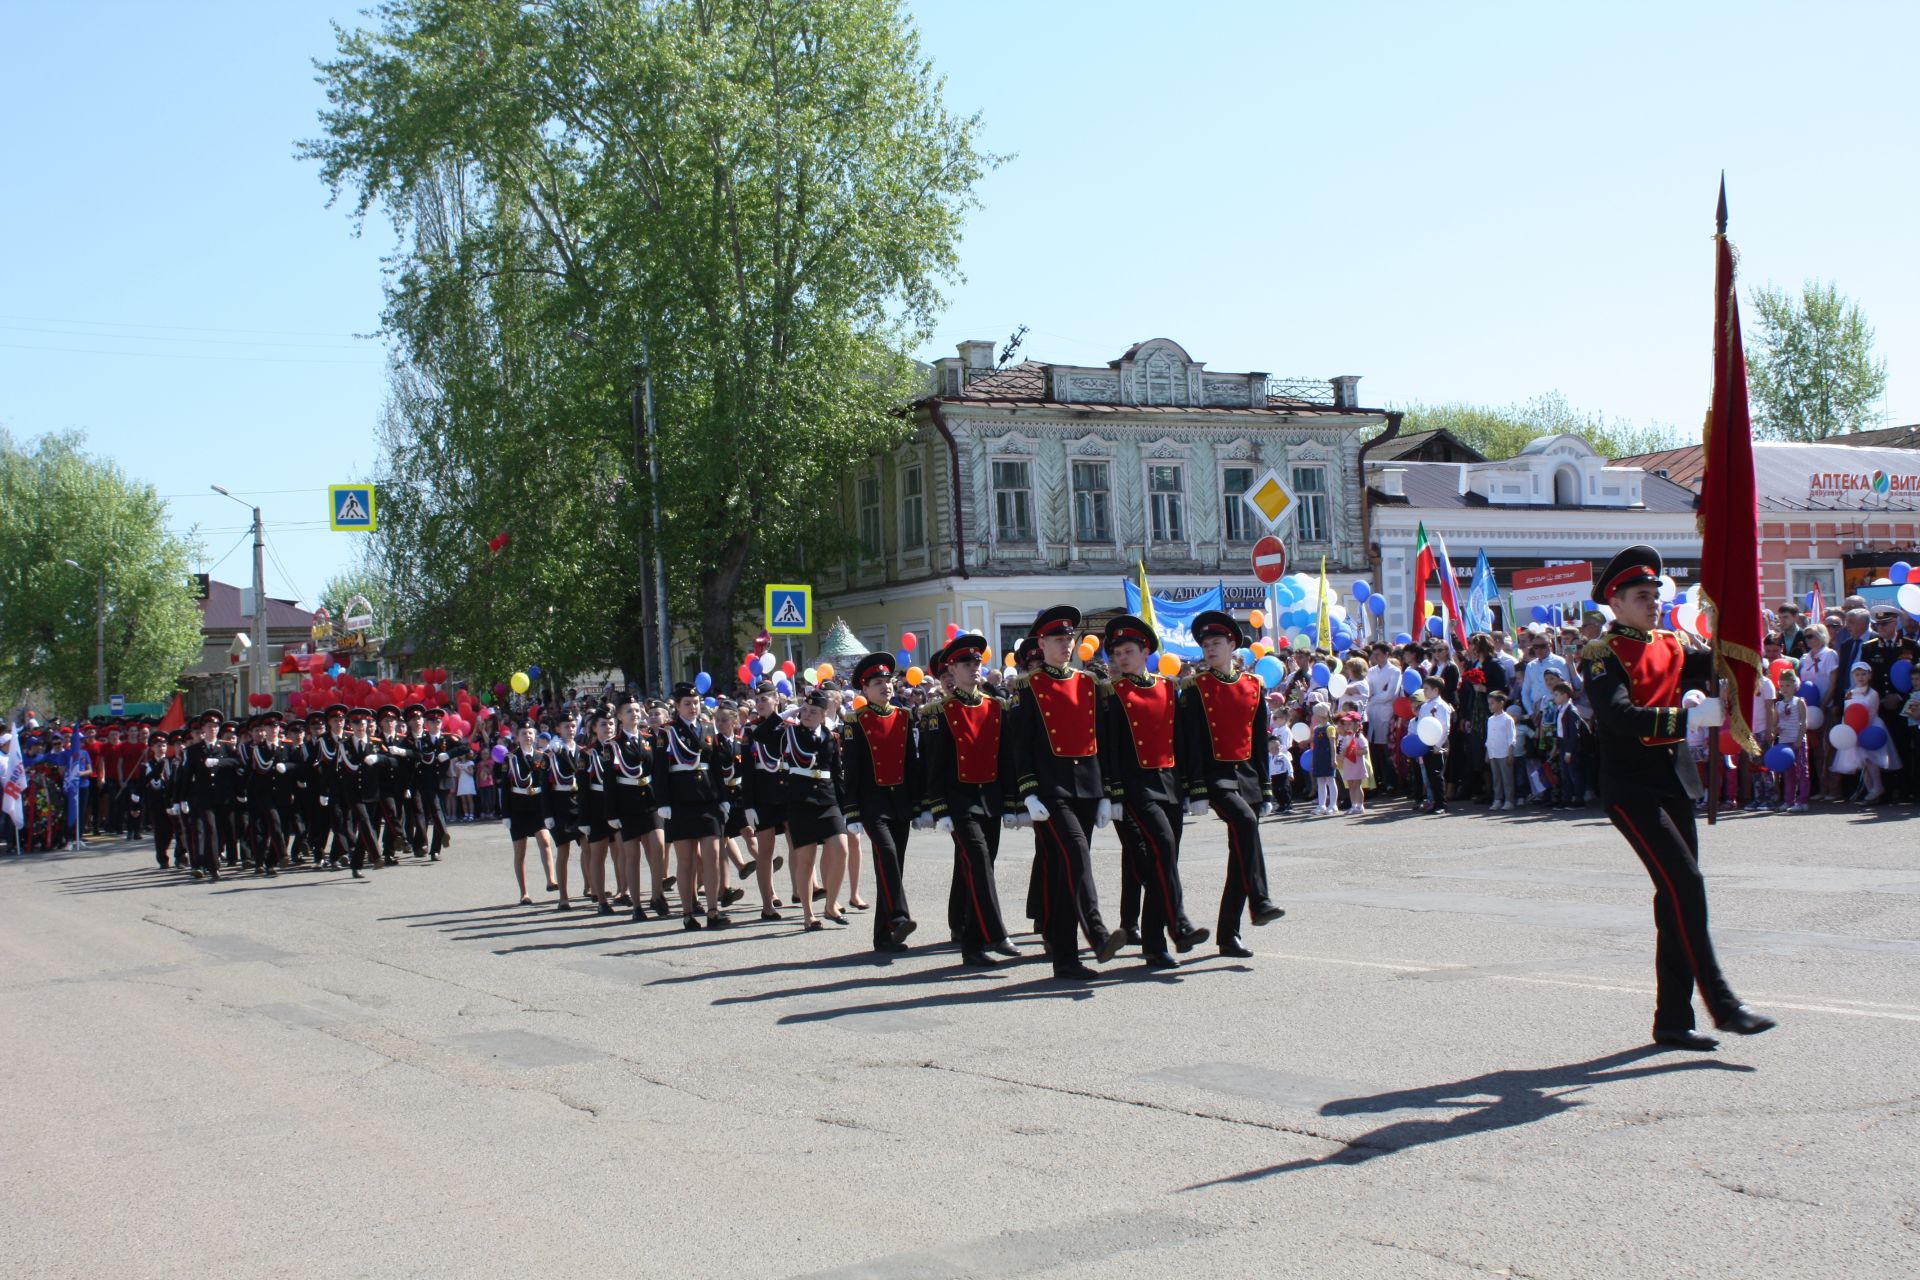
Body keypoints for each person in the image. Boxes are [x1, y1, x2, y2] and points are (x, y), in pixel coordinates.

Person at [1582, 544, 1774, 1049]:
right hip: (1629, 787)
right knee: (1686, 884)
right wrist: (1686, 719)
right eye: (1642, 596)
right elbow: (1618, 717)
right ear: (1616, 603)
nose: (1653, 603)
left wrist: (1743, 624)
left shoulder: (1670, 642)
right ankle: (1724, 1003)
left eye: (1656, 594)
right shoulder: (1603, 655)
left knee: (1675, 900)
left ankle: (1672, 1019)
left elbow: (1722, 658)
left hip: (1673, 783)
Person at [1009, 605, 1127, 979]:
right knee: (1075, 855)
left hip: (1087, 787)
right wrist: (1027, 793)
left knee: (1064, 875)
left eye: (1069, 639)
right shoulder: (1026, 686)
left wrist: (1107, 792)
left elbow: (1104, 741)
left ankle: (1065, 958)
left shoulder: (1089, 683)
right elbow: (1020, 745)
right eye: (1058, 639)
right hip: (1050, 791)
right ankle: (1097, 932)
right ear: (1041, 643)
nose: (1066, 644)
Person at [1098, 614, 1208, 968]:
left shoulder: (1166, 687)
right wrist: (1113, 793)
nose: (1122, 658)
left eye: (1129, 651)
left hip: (1169, 783)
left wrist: (1192, 786)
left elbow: (1181, 740)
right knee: (1161, 847)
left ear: (1145, 651)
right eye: (1116, 653)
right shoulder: (1113, 693)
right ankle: (1177, 925)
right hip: (1135, 786)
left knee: (1164, 860)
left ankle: (1154, 941)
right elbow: (1109, 746)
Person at [1177, 610, 1285, 959]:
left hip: (1248, 775)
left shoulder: (1253, 686)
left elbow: (1257, 741)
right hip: (1216, 775)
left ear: (1231, 646)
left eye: (1216, 643)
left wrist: (1266, 787)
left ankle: (1228, 934)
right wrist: (1194, 787)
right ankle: (1261, 900)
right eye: (1205, 644)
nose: (1210, 649)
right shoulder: (1195, 688)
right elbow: (1189, 741)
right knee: (1244, 823)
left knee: (1241, 855)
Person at [920, 633, 1019, 967]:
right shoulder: (940, 711)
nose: (973, 668)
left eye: (976, 662)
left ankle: (973, 946)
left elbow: (1006, 759)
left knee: (982, 867)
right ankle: (996, 932)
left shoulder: (995, 706)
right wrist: (938, 808)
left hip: (989, 797)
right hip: (959, 801)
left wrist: (1011, 803)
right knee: (977, 860)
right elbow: (933, 765)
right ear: (952, 668)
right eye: (965, 663)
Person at [841, 652, 919, 954]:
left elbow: (911, 764)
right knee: (887, 856)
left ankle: (883, 936)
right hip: (873, 803)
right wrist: (852, 810)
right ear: (865, 689)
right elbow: (852, 769)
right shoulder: (856, 721)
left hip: (900, 802)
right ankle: (899, 917)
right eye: (877, 682)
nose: (885, 686)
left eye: (888, 681)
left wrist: (920, 802)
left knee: (893, 865)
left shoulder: (903, 716)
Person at [654, 683, 735, 930]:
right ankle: (688, 912)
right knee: (686, 861)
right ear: (677, 707)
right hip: (681, 803)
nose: (692, 707)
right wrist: (663, 802)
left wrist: (723, 797)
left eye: (696, 703)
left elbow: (717, 768)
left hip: (707, 801)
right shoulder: (667, 733)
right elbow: (660, 772)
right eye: (687, 704)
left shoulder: (708, 729)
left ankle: (713, 910)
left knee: (712, 857)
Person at [503, 721, 557, 904]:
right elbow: (505, 788)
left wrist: (550, 810)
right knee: (520, 851)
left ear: (535, 737)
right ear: (517, 737)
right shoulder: (510, 758)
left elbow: (549, 785)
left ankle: (551, 879)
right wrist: (506, 815)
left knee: (545, 841)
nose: (528, 736)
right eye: (524, 733)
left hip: (537, 806)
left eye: (530, 733)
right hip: (518, 808)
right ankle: (524, 893)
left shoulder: (542, 757)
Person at [545, 712, 585, 908]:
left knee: (588, 847)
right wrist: (547, 814)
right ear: (557, 729)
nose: (570, 729)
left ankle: (591, 887)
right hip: (561, 802)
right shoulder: (553, 752)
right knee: (563, 851)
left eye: (572, 725)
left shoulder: (582, 750)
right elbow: (545, 786)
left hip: (580, 802)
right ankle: (563, 896)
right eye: (566, 726)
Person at [1413, 678, 1452, 813]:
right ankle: (1434, 802)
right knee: (1429, 775)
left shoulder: (1442, 705)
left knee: (1436, 774)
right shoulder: (1424, 706)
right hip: (1426, 742)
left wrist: (1438, 745)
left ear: (1436, 690)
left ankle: (1442, 804)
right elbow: (1421, 725)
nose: (1424, 692)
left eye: (1427, 689)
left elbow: (1445, 727)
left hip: (1438, 743)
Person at [1485, 689, 1516, 811]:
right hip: (1493, 753)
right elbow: (1489, 737)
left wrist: (1510, 753)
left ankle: (1509, 800)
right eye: (1489, 703)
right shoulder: (1490, 719)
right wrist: (1488, 752)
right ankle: (1497, 799)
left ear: (1501, 703)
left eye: (1492, 703)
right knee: (1496, 777)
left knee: (1507, 777)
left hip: (1504, 753)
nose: (1490, 706)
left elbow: (1511, 737)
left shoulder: (1507, 719)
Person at [1336, 710, 1368, 814]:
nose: (1347, 726)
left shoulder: (1360, 737)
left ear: (1357, 725)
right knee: (1350, 785)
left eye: (1350, 724)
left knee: (1357, 785)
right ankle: (1353, 805)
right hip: (1348, 765)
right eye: (1345, 724)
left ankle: (1360, 806)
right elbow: (1343, 750)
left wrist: (1355, 752)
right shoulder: (1346, 737)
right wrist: (1340, 756)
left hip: (1357, 764)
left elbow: (1365, 750)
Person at [1307, 703, 1336, 816]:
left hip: (1327, 758)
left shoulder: (1330, 728)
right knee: (1320, 782)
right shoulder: (1316, 728)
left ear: (1322, 714)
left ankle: (1333, 805)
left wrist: (1333, 759)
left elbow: (1332, 745)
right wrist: (1314, 759)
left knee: (1330, 780)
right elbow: (1315, 746)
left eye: (1315, 714)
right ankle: (1321, 805)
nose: (1314, 717)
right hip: (1319, 758)